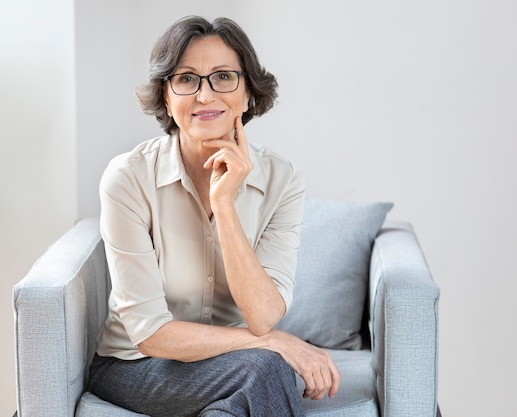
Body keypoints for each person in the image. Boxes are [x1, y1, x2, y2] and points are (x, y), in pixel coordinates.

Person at [87, 15, 340, 417]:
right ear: (166, 97)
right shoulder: (128, 177)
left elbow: (262, 316)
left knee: (250, 387)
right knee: (266, 368)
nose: (205, 96)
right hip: (136, 366)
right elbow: (150, 334)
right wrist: (271, 342)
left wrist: (225, 205)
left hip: (234, 365)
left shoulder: (281, 179)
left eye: (223, 77)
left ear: (248, 94)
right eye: (186, 79)